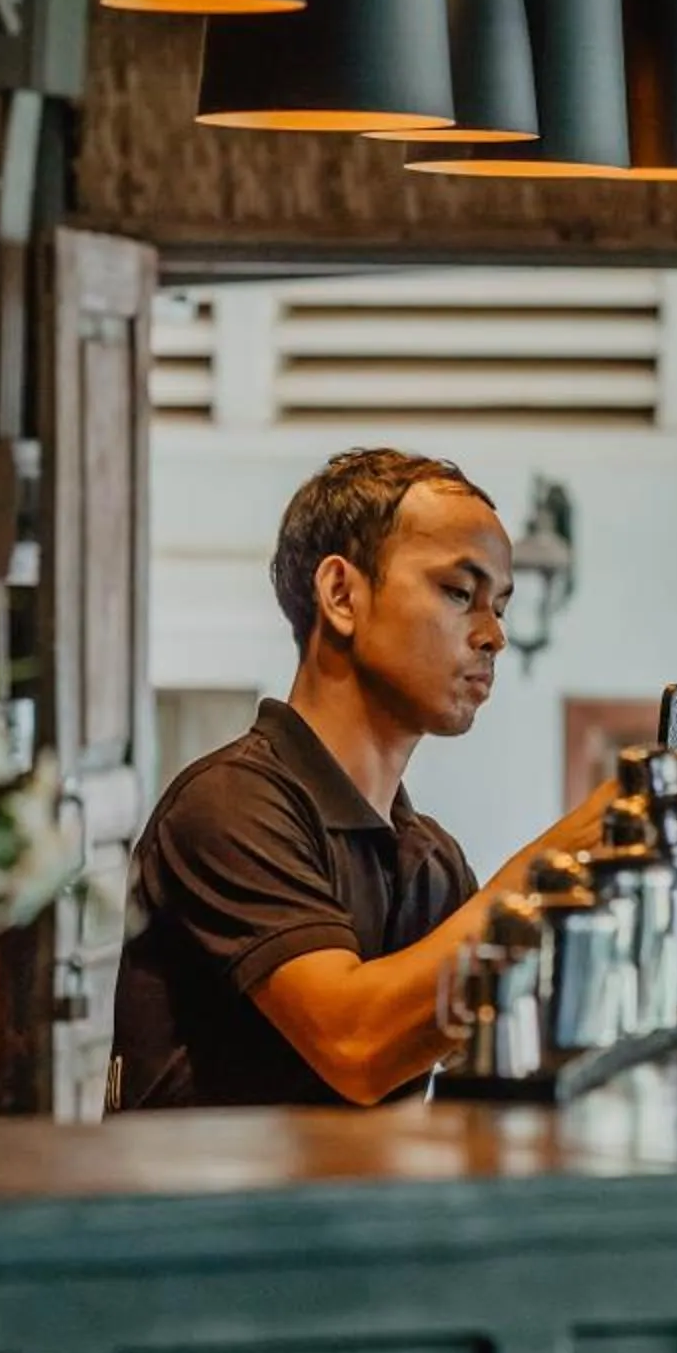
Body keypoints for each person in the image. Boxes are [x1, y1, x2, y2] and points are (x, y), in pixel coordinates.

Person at [108, 447, 615, 1109]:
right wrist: (555, 868)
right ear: (342, 595)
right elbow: (355, 1044)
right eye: (460, 593)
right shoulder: (228, 805)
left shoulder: (431, 862)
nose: (494, 635)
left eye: (500, 607)